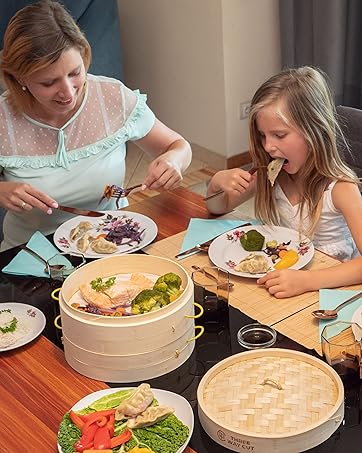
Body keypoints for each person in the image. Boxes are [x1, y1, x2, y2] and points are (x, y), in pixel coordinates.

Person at [0, 0, 192, 250]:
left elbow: (178, 145)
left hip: (114, 242)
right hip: (30, 256)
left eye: (75, 73)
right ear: (20, 78)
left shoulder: (112, 97)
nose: (68, 92)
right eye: (48, 83)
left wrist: (173, 161)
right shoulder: (4, 119)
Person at [206, 66, 362, 298]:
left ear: (314, 130)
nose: (268, 146)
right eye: (262, 135)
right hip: (282, 282)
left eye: (279, 135)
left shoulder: (340, 188)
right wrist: (217, 183)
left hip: (328, 290)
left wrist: (309, 281)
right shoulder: (270, 175)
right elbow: (216, 207)